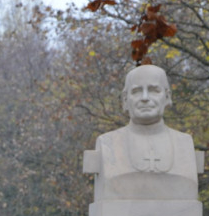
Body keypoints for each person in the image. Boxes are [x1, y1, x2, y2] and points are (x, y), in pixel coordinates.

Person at [84, 64, 201, 201]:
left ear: (167, 97)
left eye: (154, 90)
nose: (145, 97)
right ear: (125, 100)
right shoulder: (108, 144)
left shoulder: (184, 143)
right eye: (137, 91)